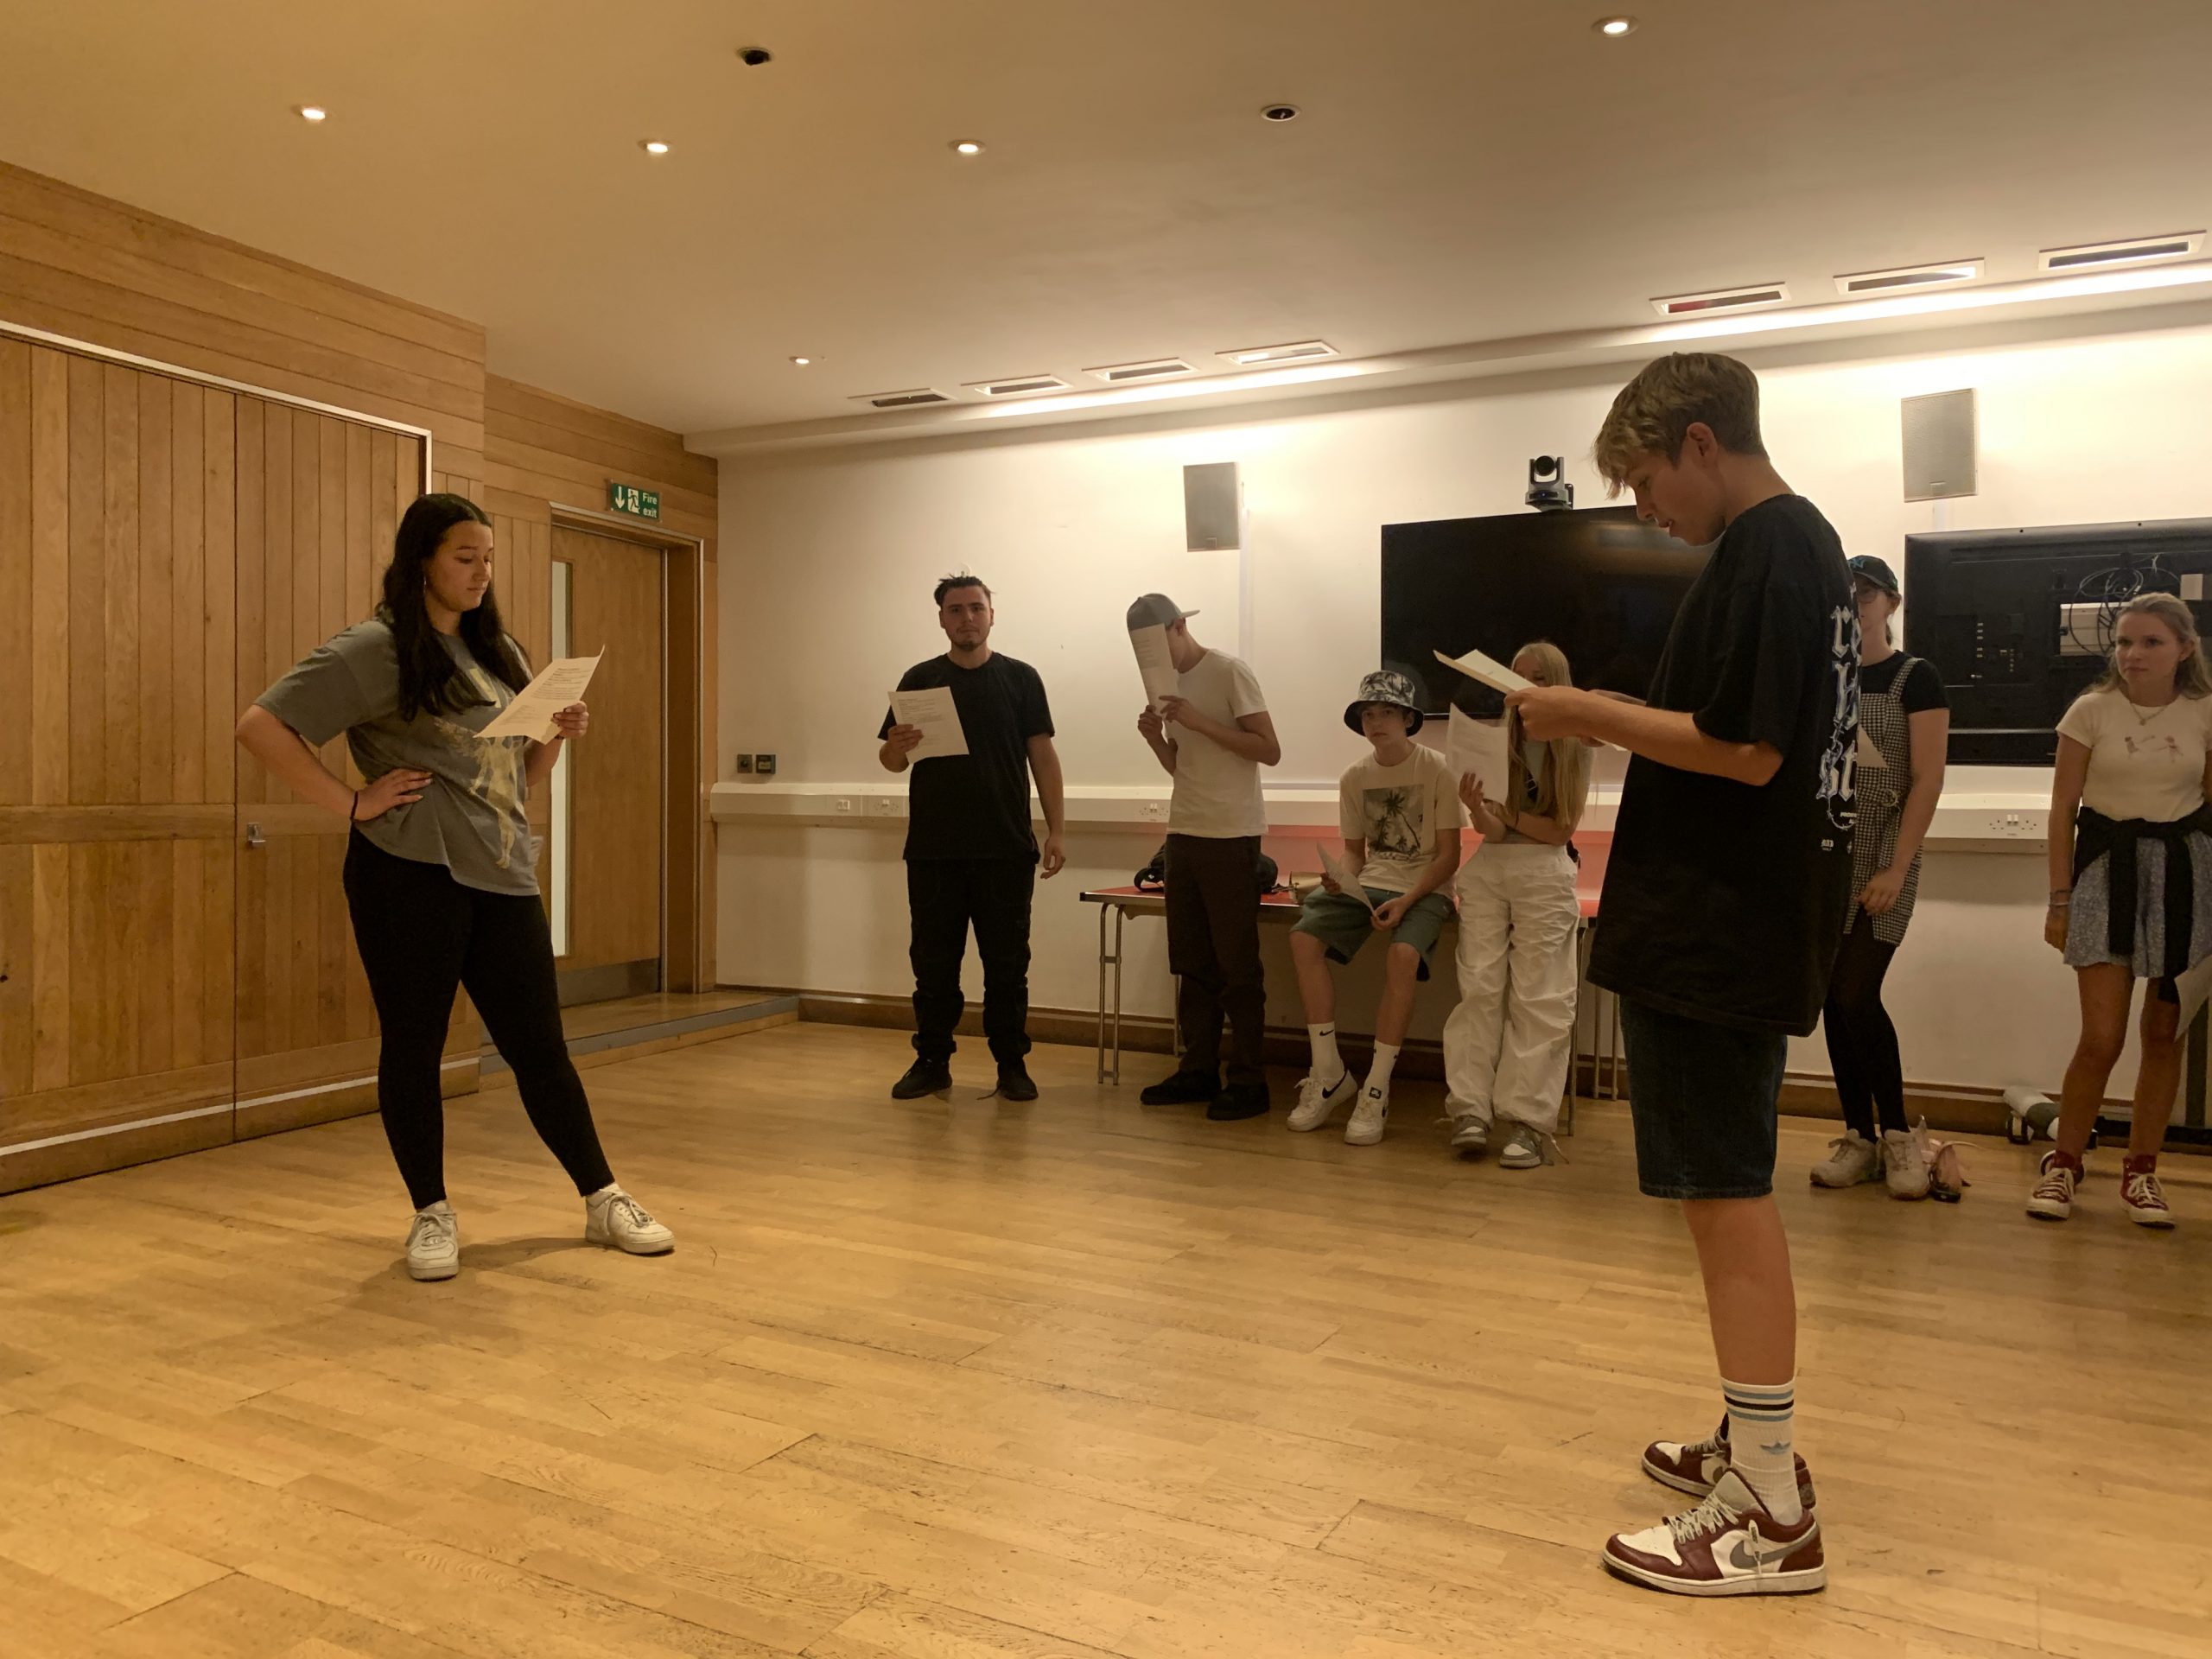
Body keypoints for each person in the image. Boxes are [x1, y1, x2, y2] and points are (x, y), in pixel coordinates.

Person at [1511, 353, 1854, 1597]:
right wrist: (1611, 706)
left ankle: (1768, 1510)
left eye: (1647, 480)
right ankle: (1752, 1436)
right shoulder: (1796, 549)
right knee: (1723, 1185)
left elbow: (1747, 752)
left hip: (1725, 922)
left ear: (1701, 442)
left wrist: (1587, 715)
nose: (1646, 509)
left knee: (1724, 1192)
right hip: (1734, 916)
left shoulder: (1772, 547)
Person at [235, 493, 674, 1283]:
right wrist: (351, 802)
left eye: (489, 558)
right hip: (408, 872)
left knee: (539, 1045)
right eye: (465, 558)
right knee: (415, 1044)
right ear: (422, 563)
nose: (481, 573)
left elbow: (515, 776)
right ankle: (431, 1211)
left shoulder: (496, 649)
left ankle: (602, 1195)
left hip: (501, 870)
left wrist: (555, 738)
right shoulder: (373, 648)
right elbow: (261, 725)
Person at [2032, 591, 2212, 1230]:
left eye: (2150, 642)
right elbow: (2063, 811)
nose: (2133, 654)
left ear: (2184, 649)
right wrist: (2059, 899)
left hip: (2184, 875)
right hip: (2107, 872)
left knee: (2165, 1032)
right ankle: (2064, 1163)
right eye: (2125, 642)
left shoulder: (2205, 711)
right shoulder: (2091, 711)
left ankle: (2142, 1172)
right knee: (2101, 1037)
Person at [878, 575, 1066, 1102]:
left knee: (1008, 967)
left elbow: (1043, 757)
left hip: (1006, 848)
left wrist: (1057, 829)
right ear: (941, 619)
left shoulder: (1021, 678)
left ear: (991, 615)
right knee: (933, 965)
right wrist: (896, 746)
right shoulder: (919, 679)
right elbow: (891, 762)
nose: (967, 618)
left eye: (976, 608)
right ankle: (932, 1061)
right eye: (956, 610)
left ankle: (1011, 1065)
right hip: (934, 850)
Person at [1810, 556, 1950, 1199]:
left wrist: (1896, 866)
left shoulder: (1915, 677)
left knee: (1857, 993)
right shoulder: (1824, 675)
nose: (1853, 602)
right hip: (1826, 851)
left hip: (1884, 849)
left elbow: (1928, 778)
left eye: (1865, 593)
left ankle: (1897, 1134)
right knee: (1830, 997)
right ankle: (1858, 1136)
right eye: (1844, 593)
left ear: (1890, 603)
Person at [1287, 671, 1464, 1145]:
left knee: (1403, 956)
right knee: (1303, 937)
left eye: (1387, 712)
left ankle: (1377, 1087)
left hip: (1426, 889)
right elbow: (1354, 854)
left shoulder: (1438, 770)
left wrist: (1408, 900)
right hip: (1370, 883)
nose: (1376, 722)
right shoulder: (1355, 776)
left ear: (1408, 719)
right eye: (1368, 714)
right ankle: (1328, 1073)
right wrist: (1339, 878)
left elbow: (1449, 856)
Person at [1131, 594, 1282, 1121]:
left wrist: (1197, 721)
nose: (1151, 657)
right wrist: (1157, 741)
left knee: (1236, 964)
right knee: (1191, 961)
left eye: (1155, 643)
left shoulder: (1228, 671)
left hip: (1231, 833)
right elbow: (1186, 767)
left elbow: (1268, 749)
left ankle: (1249, 1079)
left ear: (1179, 626)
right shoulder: (1163, 684)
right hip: (1184, 833)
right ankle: (1197, 1069)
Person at [1441, 642, 1592, 1169]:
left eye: (1538, 678)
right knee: (1479, 989)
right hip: (1491, 867)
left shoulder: (1576, 743)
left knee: (1540, 997)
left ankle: (1528, 1122)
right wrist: (1478, 809)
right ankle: (1470, 1110)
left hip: (1544, 872)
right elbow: (1495, 830)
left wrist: (1505, 814)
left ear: (1558, 683)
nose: (1523, 685)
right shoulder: (1498, 738)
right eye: (1517, 675)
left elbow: (1559, 830)